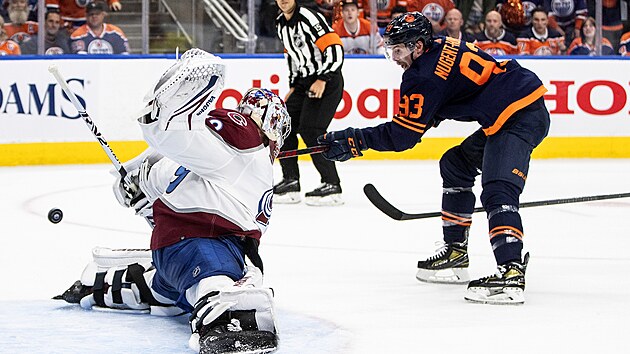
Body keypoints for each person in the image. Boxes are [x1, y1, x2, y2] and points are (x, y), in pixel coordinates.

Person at [55, 49, 290, 354]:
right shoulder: (248, 146)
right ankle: (226, 314)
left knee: (181, 284)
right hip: (203, 248)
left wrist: (137, 185)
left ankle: (124, 285)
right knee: (221, 279)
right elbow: (215, 136)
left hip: (170, 253)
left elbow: (153, 177)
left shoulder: (201, 163)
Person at [317, 12, 550, 305]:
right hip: (515, 107)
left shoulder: (422, 76)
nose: (395, 57)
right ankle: (456, 252)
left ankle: (511, 273)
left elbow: (403, 136)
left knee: (498, 189)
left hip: (518, 116)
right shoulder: (437, 45)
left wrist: (354, 140)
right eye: (390, 49)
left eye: (398, 50)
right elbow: (437, 102)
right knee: (455, 164)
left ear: (417, 46)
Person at [274, 0, 345, 206]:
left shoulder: (308, 16)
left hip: (327, 80)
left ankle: (332, 184)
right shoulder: (280, 23)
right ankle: (290, 181)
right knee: (282, 126)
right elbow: (293, 57)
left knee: (311, 130)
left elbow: (335, 47)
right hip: (304, 83)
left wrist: (323, 78)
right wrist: (294, 86)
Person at [46, 0, 122, 33]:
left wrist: (113, 1)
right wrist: (61, 23)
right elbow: (52, 9)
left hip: (89, 21)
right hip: (66, 22)